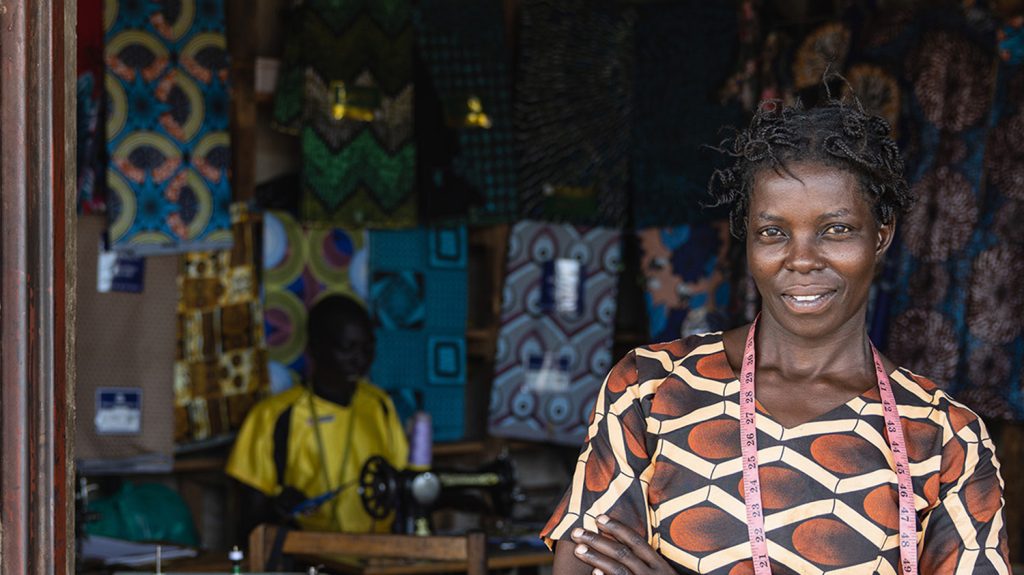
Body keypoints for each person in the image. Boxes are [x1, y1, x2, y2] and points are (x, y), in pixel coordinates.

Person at [542, 99, 1010, 574]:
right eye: (773, 232)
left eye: (836, 229)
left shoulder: (943, 436)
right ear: (748, 237)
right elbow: (585, 562)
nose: (802, 259)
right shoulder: (651, 387)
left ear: (881, 233)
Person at [227, 294, 408, 536]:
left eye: (368, 348)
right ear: (315, 348)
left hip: (376, 558)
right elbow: (250, 519)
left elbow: (402, 481)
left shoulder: (379, 404)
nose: (361, 360)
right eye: (348, 348)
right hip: (308, 561)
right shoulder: (273, 416)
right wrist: (278, 509)